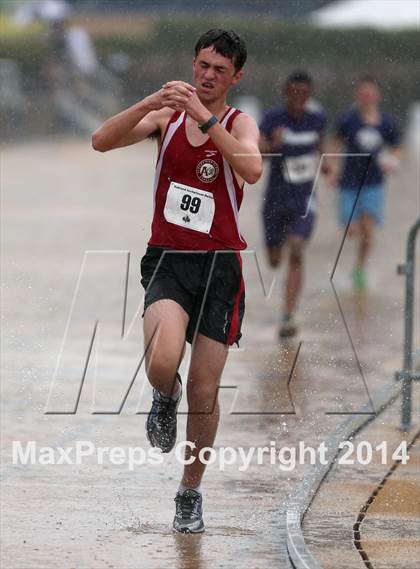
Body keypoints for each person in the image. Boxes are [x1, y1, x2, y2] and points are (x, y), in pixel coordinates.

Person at [92, 29, 262, 533]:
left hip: (220, 268)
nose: (208, 77)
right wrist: (151, 100)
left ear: (236, 77)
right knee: (164, 360)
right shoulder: (164, 119)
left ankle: (189, 492)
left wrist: (208, 121)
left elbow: (251, 169)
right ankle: (163, 397)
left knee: (205, 392)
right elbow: (101, 141)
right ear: (192, 63)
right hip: (167, 259)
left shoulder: (237, 122)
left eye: (219, 71)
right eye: (202, 66)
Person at [259, 71, 328, 338]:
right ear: (286, 93)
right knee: (275, 260)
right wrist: (272, 146)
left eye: (304, 94)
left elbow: (320, 143)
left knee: (297, 248)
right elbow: (257, 155)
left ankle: (288, 314)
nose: (299, 98)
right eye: (294, 93)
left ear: (310, 95)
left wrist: (328, 163)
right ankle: (277, 260)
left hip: (304, 198)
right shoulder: (271, 119)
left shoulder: (317, 119)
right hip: (275, 198)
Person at [329, 75, 401, 290]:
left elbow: (397, 147)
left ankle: (359, 268)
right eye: (363, 92)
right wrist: (332, 169)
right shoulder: (348, 120)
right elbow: (335, 144)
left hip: (374, 183)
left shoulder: (387, 122)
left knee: (369, 228)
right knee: (350, 230)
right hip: (348, 183)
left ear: (377, 95)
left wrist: (393, 161)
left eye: (371, 92)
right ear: (357, 95)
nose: (367, 96)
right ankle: (356, 235)